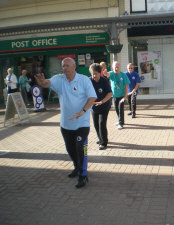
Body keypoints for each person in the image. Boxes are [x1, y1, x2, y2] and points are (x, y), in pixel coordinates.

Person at [35, 57, 97, 188]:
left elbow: (93, 97)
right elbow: (47, 83)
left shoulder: (84, 80)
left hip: (82, 123)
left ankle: (83, 175)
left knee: (80, 148)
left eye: (67, 65)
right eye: (63, 66)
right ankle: (76, 167)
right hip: (66, 124)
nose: (65, 68)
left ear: (74, 66)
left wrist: (83, 110)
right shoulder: (59, 79)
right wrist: (42, 82)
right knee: (70, 149)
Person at [89, 63, 112, 150]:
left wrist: (102, 102)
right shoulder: (88, 81)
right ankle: (100, 139)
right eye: (92, 74)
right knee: (96, 125)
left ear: (100, 73)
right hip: (94, 107)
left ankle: (103, 143)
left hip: (104, 106)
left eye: (96, 74)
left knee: (102, 123)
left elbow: (110, 93)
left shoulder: (104, 80)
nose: (94, 76)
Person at [104, 61, 130, 130]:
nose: (116, 68)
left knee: (120, 108)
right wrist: (105, 73)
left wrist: (125, 96)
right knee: (116, 109)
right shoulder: (112, 73)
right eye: (115, 66)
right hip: (114, 96)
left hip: (122, 96)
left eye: (117, 66)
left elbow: (126, 86)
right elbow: (107, 74)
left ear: (119, 67)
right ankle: (120, 120)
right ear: (112, 67)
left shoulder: (123, 75)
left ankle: (121, 124)